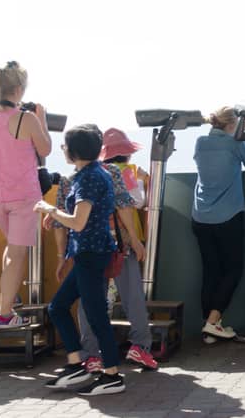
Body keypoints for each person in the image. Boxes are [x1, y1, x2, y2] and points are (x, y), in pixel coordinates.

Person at [50, 128, 157, 371]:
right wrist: (135, 239)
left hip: (86, 248)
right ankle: (139, 347)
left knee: (89, 304)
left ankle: (92, 354)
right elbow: (125, 206)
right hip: (118, 245)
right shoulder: (112, 174)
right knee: (132, 296)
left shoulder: (68, 180)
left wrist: (61, 255)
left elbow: (61, 223)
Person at [35, 125, 125, 396]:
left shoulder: (87, 179)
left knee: (96, 317)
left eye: (64, 145)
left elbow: (79, 221)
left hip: (90, 254)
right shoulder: (94, 173)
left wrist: (49, 208)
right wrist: (60, 213)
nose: (62, 149)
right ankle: (76, 364)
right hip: (89, 252)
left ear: (74, 150)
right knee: (58, 307)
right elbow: (82, 213)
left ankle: (112, 375)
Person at [0, 61, 53, 328]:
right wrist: (41, 118)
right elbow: (44, 149)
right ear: (19, 89)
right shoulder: (27, 118)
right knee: (17, 254)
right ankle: (5, 314)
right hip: (23, 196)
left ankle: (7, 300)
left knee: (12, 249)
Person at [193, 106, 245, 342]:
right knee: (233, 269)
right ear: (233, 124)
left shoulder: (200, 142)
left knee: (211, 272)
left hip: (200, 216)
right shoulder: (234, 143)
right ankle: (212, 321)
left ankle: (211, 326)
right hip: (228, 216)